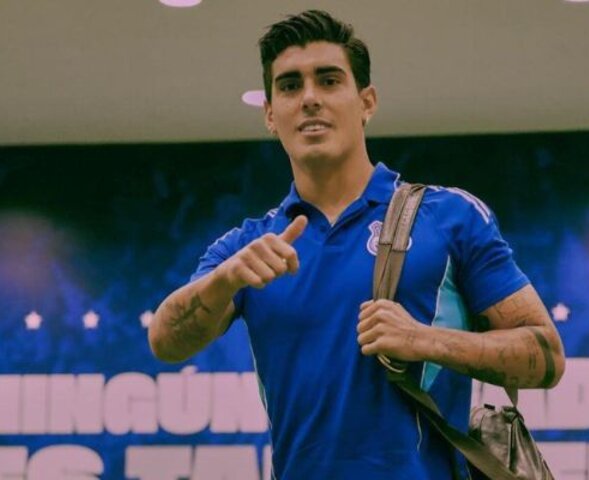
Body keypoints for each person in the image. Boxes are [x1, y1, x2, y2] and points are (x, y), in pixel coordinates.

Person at [149, 9, 565, 479]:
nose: (309, 98)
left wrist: (425, 340)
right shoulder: (246, 248)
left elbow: (546, 356)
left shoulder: (450, 216)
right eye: (289, 86)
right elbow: (165, 341)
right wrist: (224, 280)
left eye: (329, 81)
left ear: (367, 102)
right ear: (270, 114)